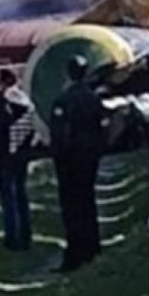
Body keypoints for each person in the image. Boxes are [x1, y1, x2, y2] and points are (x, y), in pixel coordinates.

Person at [49, 55, 105, 272]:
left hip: (70, 161)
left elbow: (59, 134)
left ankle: (75, 254)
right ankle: (93, 247)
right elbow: (103, 129)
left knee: (72, 207)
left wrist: (58, 156)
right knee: (88, 202)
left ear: (68, 73)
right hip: (89, 159)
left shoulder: (64, 100)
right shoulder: (93, 99)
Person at [0, 69, 36, 251]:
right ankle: (26, 235)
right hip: (22, 155)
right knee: (21, 195)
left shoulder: (1, 102)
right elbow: (32, 128)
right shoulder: (26, 101)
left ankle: (12, 239)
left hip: (5, 155)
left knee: (8, 198)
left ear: (3, 82)